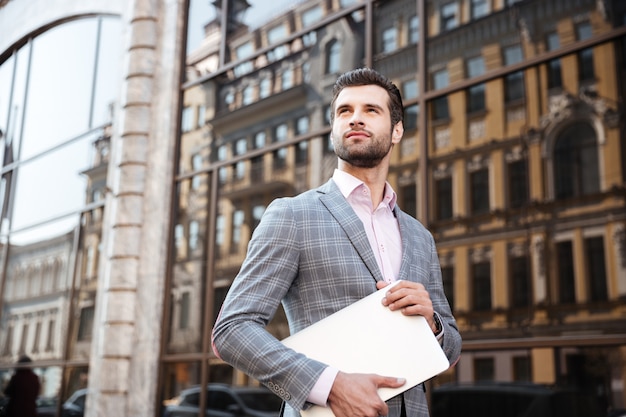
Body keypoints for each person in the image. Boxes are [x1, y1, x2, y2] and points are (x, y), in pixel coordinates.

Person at [212, 68, 462, 417]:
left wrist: (433, 324)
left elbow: (451, 347)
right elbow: (231, 331)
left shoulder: (420, 236)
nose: (355, 118)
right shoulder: (293, 215)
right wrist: (329, 385)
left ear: (397, 130)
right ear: (333, 128)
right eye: (344, 111)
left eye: (371, 110)